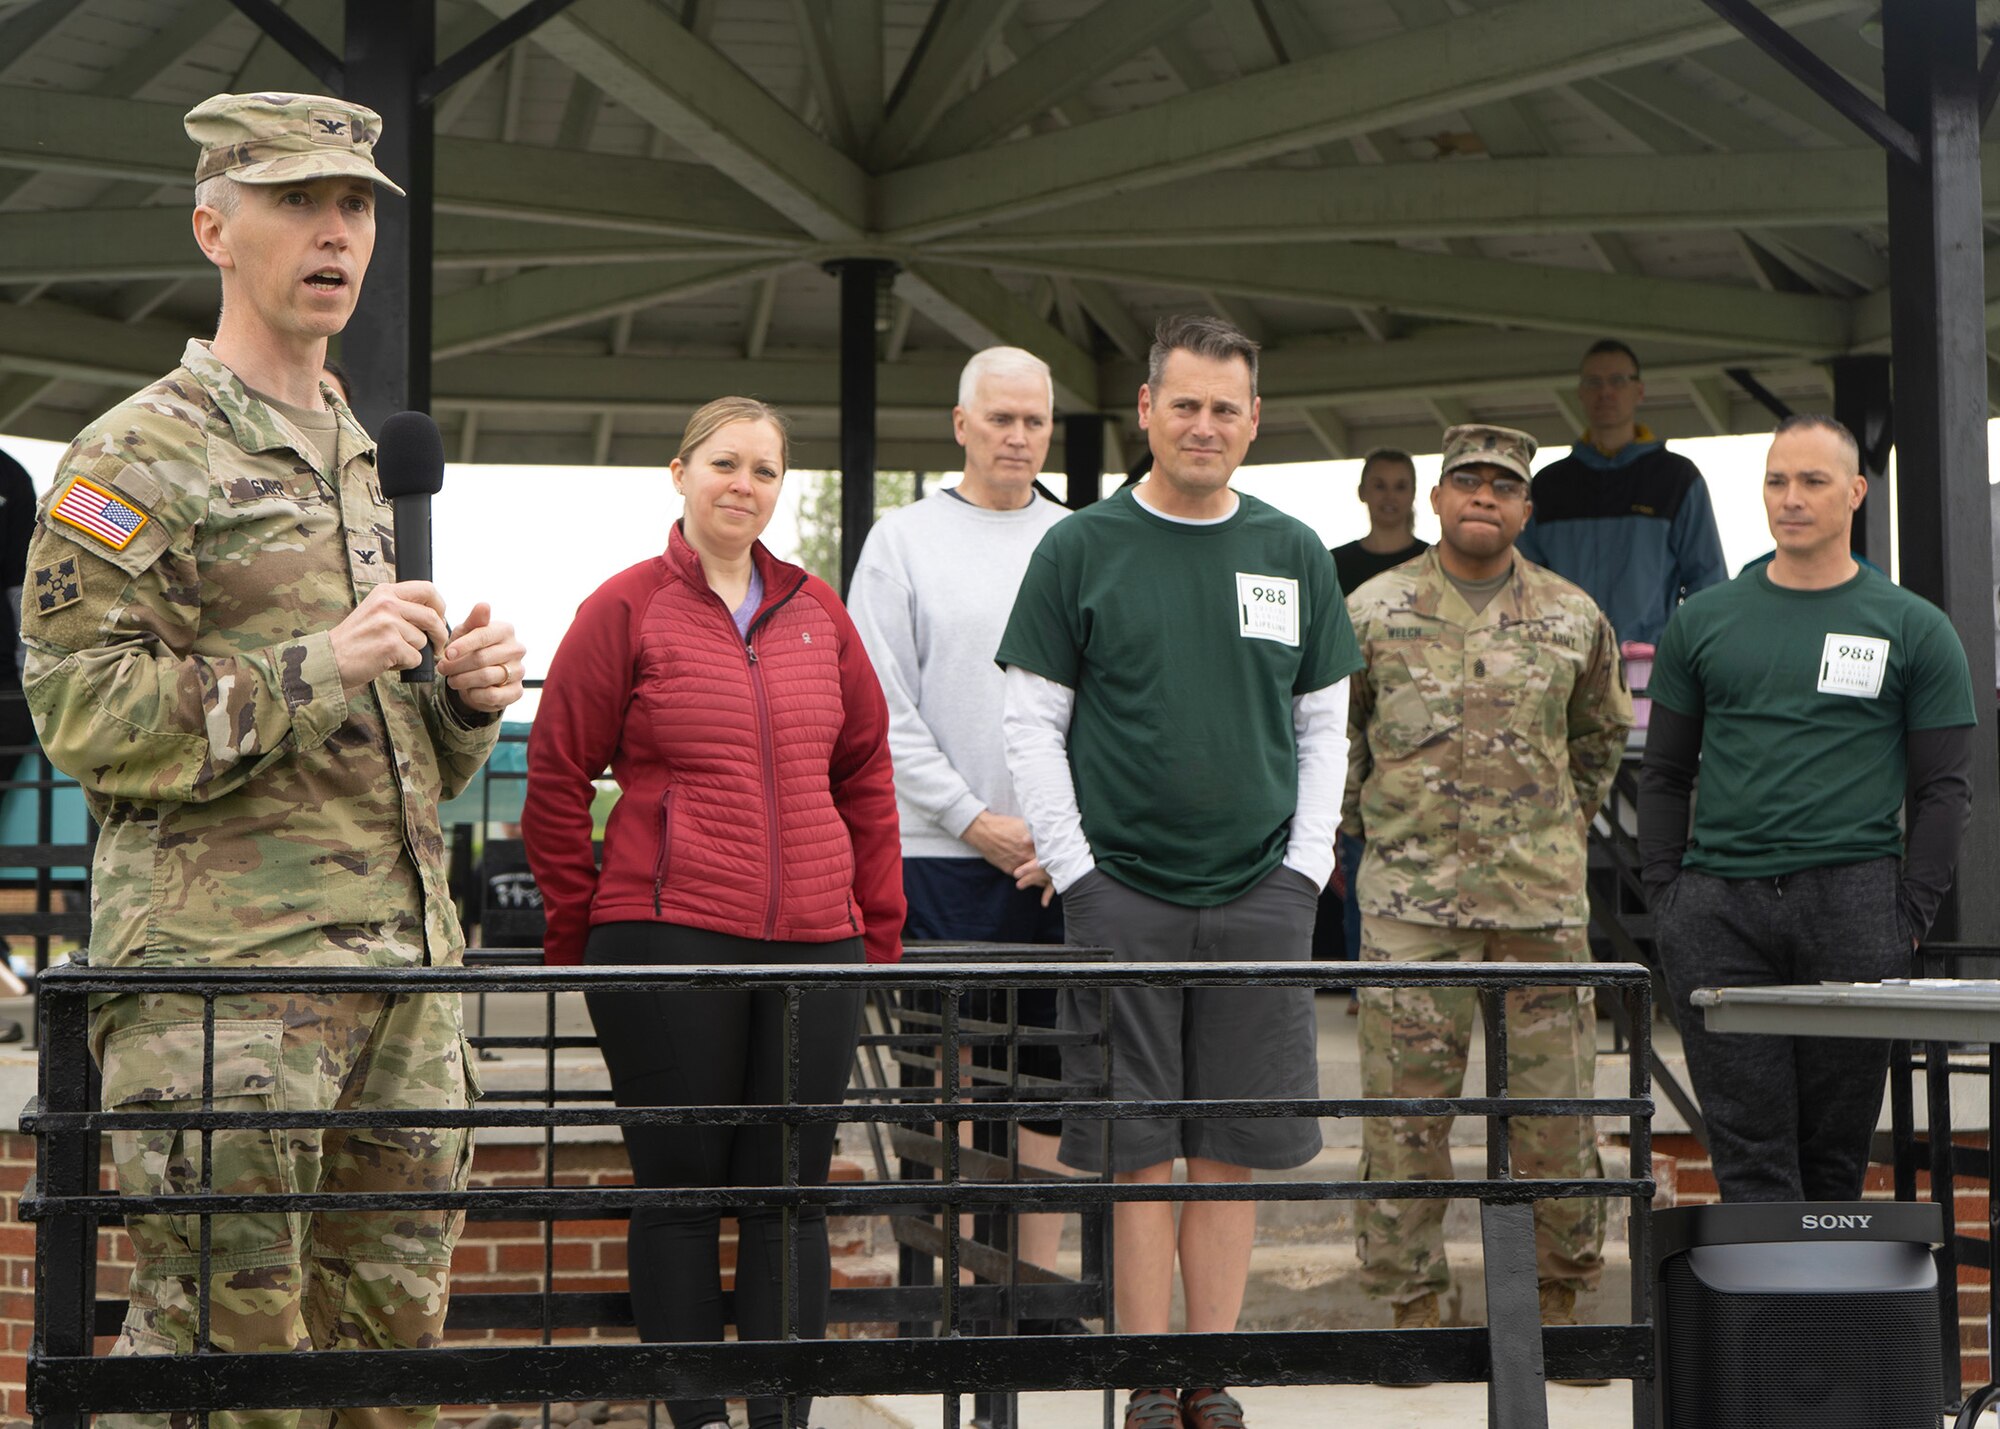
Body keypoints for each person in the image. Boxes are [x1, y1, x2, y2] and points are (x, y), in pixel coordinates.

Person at [21, 93, 525, 1429]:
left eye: (355, 204)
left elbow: (366, 765)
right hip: (226, 999)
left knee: (387, 1369)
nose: (336, 229)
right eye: (298, 199)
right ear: (212, 227)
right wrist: (326, 663)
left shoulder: (363, 452)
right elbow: (84, 712)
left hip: (405, 993)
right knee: (225, 1377)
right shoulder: (135, 452)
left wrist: (458, 709)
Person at [998, 314, 1361, 1429]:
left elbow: (1322, 729)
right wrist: (1077, 869)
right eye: (1184, 403)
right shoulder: (1079, 548)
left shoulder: (1293, 548)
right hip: (1123, 893)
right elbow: (1029, 721)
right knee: (1136, 1153)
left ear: (1252, 422)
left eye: (1225, 407)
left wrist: (1302, 872)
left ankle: (1210, 1379)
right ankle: (1142, 1376)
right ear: (1145, 410)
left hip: (1260, 892)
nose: (1203, 424)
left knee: (1228, 1152)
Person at [523, 396, 903, 1429]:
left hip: (816, 945)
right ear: (679, 473)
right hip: (665, 935)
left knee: (789, 1195)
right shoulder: (625, 607)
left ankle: (782, 1422)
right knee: (683, 1192)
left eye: (765, 470)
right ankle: (694, 1422)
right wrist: (575, 933)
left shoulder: (819, 612)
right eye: (724, 464)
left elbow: (866, 770)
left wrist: (876, 929)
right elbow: (556, 772)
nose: (744, 485)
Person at [1344, 423, 1629, 1352]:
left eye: (1502, 485)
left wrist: (1550, 827)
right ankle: (1412, 1313)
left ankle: (1560, 1305)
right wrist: (1370, 832)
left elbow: (1599, 740)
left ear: (1525, 507)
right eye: (1465, 479)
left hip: (1539, 910)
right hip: (1411, 916)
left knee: (1558, 1116)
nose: (1482, 495)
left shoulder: (1573, 615)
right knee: (1404, 1121)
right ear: (1434, 498)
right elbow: (1337, 744)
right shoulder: (1372, 611)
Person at [1639, 414, 1975, 1202]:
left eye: (1813, 481)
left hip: (1855, 905)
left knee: (1834, 1160)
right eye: (1776, 480)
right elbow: (1663, 774)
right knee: (1749, 1161)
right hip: (1719, 909)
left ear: (1856, 492)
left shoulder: (1914, 627)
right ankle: (1765, 1329)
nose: (1791, 498)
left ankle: (1827, 1328)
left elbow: (1944, 790)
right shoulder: (1704, 620)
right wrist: (1669, 898)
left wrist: (1909, 917)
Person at [846, 346, 1076, 1314]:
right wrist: (973, 819)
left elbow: (1112, 705)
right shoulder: (900, 542)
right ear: (960, 424)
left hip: (1054, 865)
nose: (1016, 436)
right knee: (939, 1083)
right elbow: (876, 706)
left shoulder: (1084, 539)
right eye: (999, 419)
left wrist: (1064, 837)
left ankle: (1028, 1291)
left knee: (1042, 1086)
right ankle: (938, 1293)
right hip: (938, 856)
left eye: (1032, 421)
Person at [1516, 338, 1727, 646]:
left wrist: (1682, 657)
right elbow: (1522, 584)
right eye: (1594, 382)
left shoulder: (1677, 480)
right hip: (1565, 665)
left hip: (1651, 668)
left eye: (1617, 380)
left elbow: (1708, 586)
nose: (1605, 392)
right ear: (1580, 393)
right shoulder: (1548, 486)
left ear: (1638, 391)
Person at [1324, 449, 1428, 988]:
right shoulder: (1332, 565)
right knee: (1357, 854)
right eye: (1380, 485)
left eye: (1400, 486)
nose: (1390, 497)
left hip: (1423, 730)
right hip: (1349, 727)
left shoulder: (1435, 565)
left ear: (1417, 495)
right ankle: (1364, 980)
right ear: (1362, 492)